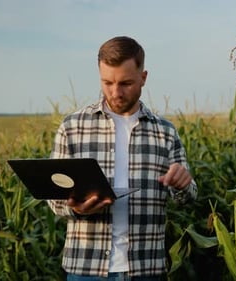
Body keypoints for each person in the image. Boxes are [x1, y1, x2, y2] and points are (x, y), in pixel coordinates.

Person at [47, 36, 198, 281]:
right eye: (107, 82)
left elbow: (189, 197)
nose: (115, 92)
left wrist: (182, 185)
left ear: (143, 77)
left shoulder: (165, 132)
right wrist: (75, 208)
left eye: (126, 83)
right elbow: (54, 199)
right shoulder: (72, 127)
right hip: (86, 268)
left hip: (146, 267)